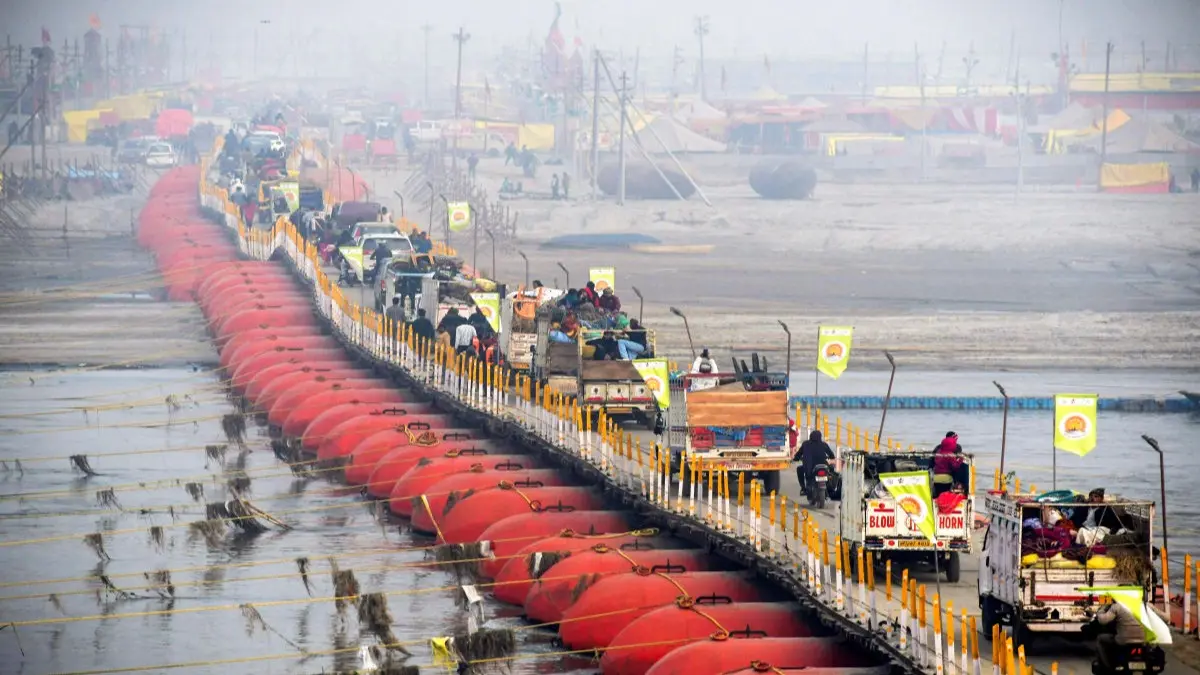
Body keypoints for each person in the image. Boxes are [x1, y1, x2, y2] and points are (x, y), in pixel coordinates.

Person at [1094, 594, 1167, 668]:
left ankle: (1108, 667)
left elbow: (1102, 620)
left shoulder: (1117, 606)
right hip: (1144, 641)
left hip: (1123, 641)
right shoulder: (1147, 606)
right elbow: (1166, 618)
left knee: (1100, 639)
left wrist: (1103, 608)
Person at [797, 430, 836, 495]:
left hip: (809, 468)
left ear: (810, 436)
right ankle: (830, 486)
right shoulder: (824, 444)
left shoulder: (805, 444)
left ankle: (803, 489)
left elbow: (799, 454)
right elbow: (832, 455)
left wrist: (796, 458)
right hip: (823, 466)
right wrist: (830, 458)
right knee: (831, 468)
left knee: (799, 469)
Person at [933, 431, 965, 495]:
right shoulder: (951, 453)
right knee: (945, 493)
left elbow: (933, 460)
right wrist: (961, 459)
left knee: (938, 494)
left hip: (935, 478)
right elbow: (955, 467)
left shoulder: (938, 451)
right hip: (947, 479)